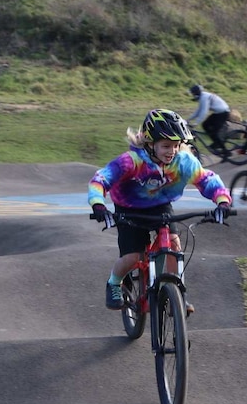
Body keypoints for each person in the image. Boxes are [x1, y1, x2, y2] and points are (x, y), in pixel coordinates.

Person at [88, 108, 233, 311]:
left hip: (160, 206)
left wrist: (222, 202)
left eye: (176, 145)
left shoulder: (183, 161)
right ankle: (114, 283)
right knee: (133, 257)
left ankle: (178, 292)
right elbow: (101, 180)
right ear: (149, 143)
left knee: (174, 245)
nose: (171, 151)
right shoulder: (131, 161)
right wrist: (98, 205)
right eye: (166, 146)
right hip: (129, 208)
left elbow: (207, 180)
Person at [187, 85, 231, 152]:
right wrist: (188, 119)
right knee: (205, 125)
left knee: (214, 132)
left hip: (223, 113)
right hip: (218, 113)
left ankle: (225, 150)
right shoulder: (202, 96)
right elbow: (198, 111)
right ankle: (217, 142)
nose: (193, 95)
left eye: (193, 93)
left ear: (196, 93)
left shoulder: (204, 97)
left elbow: (204, 112)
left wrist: (196, 123)